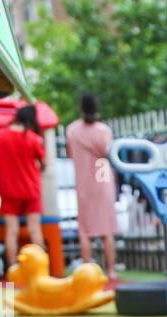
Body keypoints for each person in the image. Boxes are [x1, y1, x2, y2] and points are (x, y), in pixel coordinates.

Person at [65, 92, 119, 281]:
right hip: (102, 177)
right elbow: (108, 154)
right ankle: (111, 270)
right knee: (107, 228)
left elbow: (71, 154)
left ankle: (88, 272)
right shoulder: (104, 130)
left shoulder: (72, 130)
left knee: (85, 230)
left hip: (84, 182)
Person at [0, 105, 46, 270]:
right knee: (35, 229)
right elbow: (43, 163)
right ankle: (40, 269)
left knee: (12, 231)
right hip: (32, 189)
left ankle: (12, 269)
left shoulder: (1, 135)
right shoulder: (33, 138)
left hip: (9, 189)